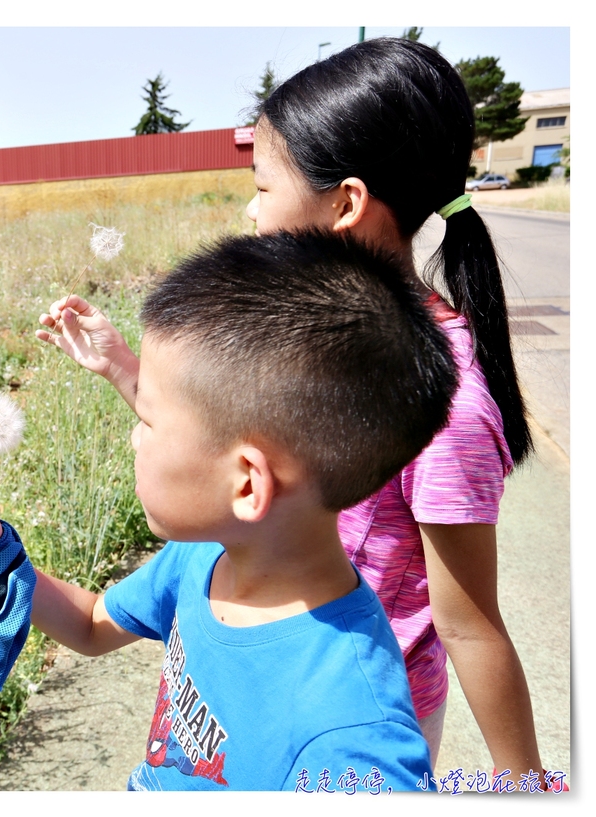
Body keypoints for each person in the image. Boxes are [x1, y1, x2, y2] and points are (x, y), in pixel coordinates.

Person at [34, 37, 546, 782]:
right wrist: (125, 369)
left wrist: (522, 782)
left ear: (345, 204)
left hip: (337, 712)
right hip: (254, 647)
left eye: (263, 185)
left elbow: (469, 625)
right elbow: (238, 435)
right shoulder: (310, 328)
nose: (249, 208)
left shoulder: (450, 406)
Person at [0, 230, 457, 790]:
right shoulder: (205, 558)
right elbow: (91, 623)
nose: (133, 438)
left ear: (248, 485)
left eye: (147, 422)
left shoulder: (353, 744)